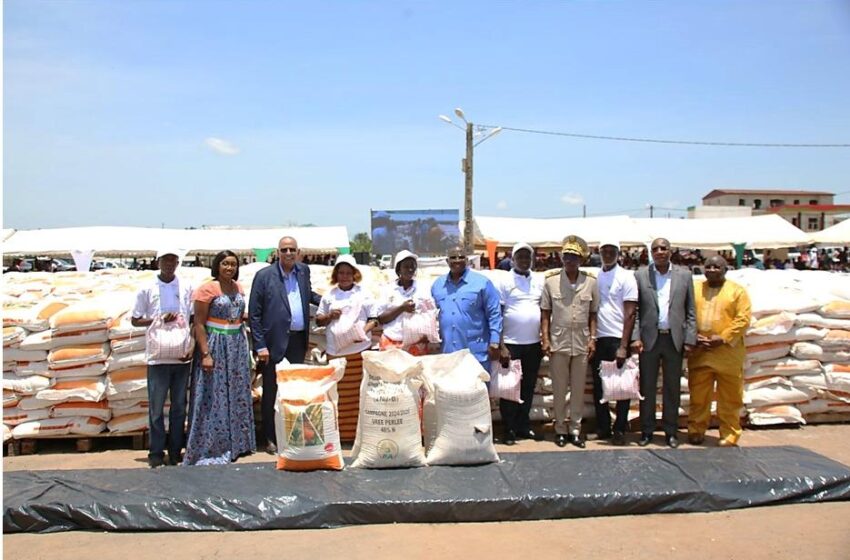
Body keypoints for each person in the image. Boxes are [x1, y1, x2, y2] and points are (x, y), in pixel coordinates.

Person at [249, 236, 320, 454]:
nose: (288, 253)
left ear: (298, 252)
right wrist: (260, 345)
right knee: (271, 390)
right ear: (277, 252)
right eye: (284, 249)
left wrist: (331, 301)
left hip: (298, 340)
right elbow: (254, 313)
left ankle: (292, 433)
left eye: (292, 249)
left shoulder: (303, 271)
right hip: (273, 343)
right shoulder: (264, 276)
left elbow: (309, 295)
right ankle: (270, 437)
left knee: (294, 389)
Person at [183, 250, 255, 465]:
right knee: (213, 393)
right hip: (216, 343)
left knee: (237, 390)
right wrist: (206, 354)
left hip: (236, 345)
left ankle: (238, 443)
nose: (229, 268)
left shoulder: (238, 288)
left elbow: (238, 314)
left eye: (233, 264)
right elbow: (199, 323)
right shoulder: (206, 289)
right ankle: (212, 445)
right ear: (217, 266)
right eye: (225, 264)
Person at [130, 248, 194, 468]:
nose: (169, 264)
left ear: (177, 263)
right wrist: (158, 320)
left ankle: (175, 450)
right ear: (158, 262)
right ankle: (156, 451)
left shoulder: (185, 287)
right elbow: (135, 320)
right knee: (156, 408)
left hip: (180, 355)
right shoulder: (146, 288)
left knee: (179, 406)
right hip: (158, 357)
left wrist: (191, 345)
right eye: (165, 260)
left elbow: (193, 317)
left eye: (173, 260)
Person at [632, 237, 696, 448]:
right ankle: (647, 431)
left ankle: (671, 431)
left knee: (672, 388)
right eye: (655, 249)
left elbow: (691, 311)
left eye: (663, 248)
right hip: (650, 339)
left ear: (670, 251)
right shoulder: (641, 275)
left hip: (674, 339)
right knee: (647, 388)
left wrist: (689, 338)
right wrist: (636, 337)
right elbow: (636, 311)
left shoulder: (684, 276)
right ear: (651, 253)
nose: (659, 252)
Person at [687, 255, 752, 447]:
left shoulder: (737, 292)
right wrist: (693, 336)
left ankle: (729, 434)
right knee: (698, 396)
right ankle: (696, 430)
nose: (712, 270)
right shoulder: (696, 289)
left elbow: (743, 319)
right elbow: (686, 314)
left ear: (726, 269)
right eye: (708, 266)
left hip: (727, 354)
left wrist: (723, 337)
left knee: (730, 398)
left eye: (717, 266)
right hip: (701, 352)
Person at [541, 235, 598, 448]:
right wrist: (545, 339)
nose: (570, 261)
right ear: (561, 259)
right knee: (558, 387)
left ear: (581, 259)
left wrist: (593, 339)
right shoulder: (551, 281)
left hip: (582, 341)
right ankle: (560, 429)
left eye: (574, 257)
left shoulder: (590, 282)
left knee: (578, 387)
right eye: (566, 257)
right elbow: (545, 313)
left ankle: (575, 429)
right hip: (559, 340)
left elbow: (593, 314)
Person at [316, 254, 378, 441]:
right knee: (338, 395)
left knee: (358, 394)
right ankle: (339, 435)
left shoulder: (363, 294)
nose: (344, 276)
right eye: (341, 273)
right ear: (336, 275)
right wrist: (329, 317)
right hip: (336, 353)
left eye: (348, 273)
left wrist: (361, 333)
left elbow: (374, 319)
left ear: (354, 274)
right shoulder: (330, 295)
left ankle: (357, 435)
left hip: (358, 352)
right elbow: (319, 319)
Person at [497, 242, 545, 445]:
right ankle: (508, 428)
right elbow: (497, 315)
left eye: (528, 257)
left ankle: (523, 425)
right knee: (509, 388)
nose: (524, 260)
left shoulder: (539, 280)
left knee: (528, 387)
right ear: (513, 258)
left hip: (533, 344)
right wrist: (501, 345)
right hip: (511, 343)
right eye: (520, 257)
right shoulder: (504, 281)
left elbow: (544, 312)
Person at [591, 239, 638, 445]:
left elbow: (630, 313)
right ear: (599, 253)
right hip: (599, 338)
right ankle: (603, 427)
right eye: (604, 251)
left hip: (618, 338)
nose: (608, 254)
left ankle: (619, 428)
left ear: (619, 254)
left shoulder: (627, 277)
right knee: (600, 385)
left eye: (612, 251)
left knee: (621, 386)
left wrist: (624, 346)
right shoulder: (596, 276)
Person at [431, 245, 502, 371]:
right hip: (448, 355)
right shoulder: (437, 285)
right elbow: (432, 314)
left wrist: (495, 341)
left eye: (461, 257)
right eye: (453, 257)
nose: (457, 260)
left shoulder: (482, 283)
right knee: (450, 390)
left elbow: (494, 314)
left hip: (475, 354)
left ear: (467, 260)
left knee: (478, 390)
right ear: (447, 261)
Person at [376, 250, 434, 356]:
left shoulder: (423, 288)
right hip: (391, 342)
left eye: (413, 266)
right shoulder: (388, 289)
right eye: (406, 266)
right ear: (399, 269)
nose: (410, 269)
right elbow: (381, 319)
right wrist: (401, 308)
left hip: (417, 343)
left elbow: (430, 314)